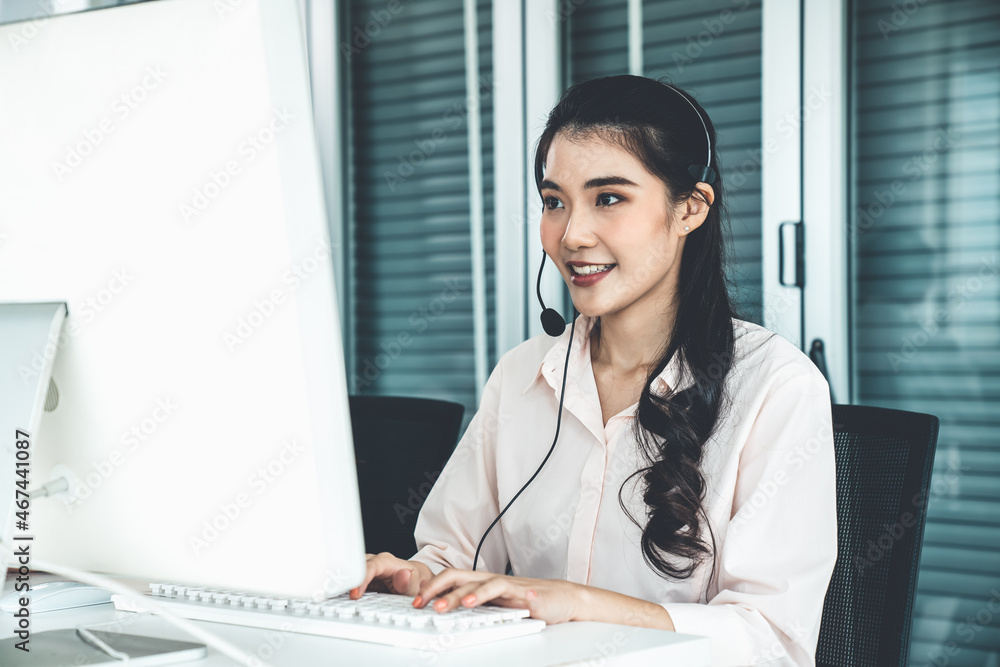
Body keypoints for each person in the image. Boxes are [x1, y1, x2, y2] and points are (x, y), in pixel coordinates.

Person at [349, 74, 837, 666]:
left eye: (609, 198)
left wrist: (580, 603)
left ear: (689, 209)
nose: (571, 235)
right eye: (555, 202)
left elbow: (772, 641)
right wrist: (411, 579)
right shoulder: (523, 375)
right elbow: (453, 555)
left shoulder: (775, 386)